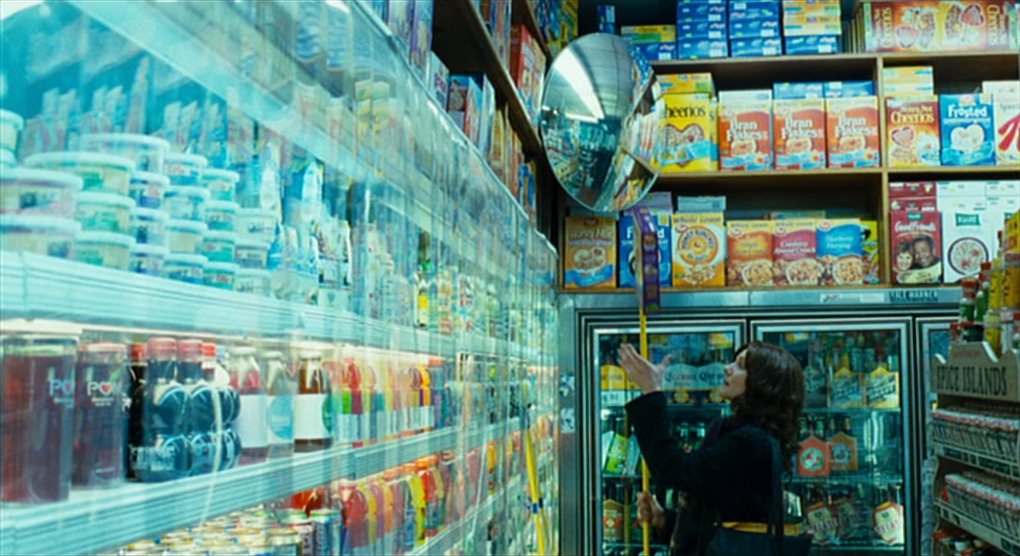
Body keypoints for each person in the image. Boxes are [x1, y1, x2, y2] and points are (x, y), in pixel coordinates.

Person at [617, 341, 805, 556]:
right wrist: (664, 520)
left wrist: (651, 391)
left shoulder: (750, 442)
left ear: (763, 383)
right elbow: (721, 524)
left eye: (741, 366)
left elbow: (674, 469)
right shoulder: (751, 437)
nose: (727, 368)